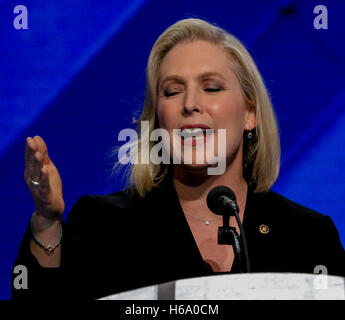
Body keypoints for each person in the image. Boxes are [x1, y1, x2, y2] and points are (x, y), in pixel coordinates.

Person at [11, 18, 345, 300]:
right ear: (158, 120)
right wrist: (47, 222)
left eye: (211, 87)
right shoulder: (104, 226)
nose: (190, 104)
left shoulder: (309, 237)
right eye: (172, 91)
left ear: (250, 114)